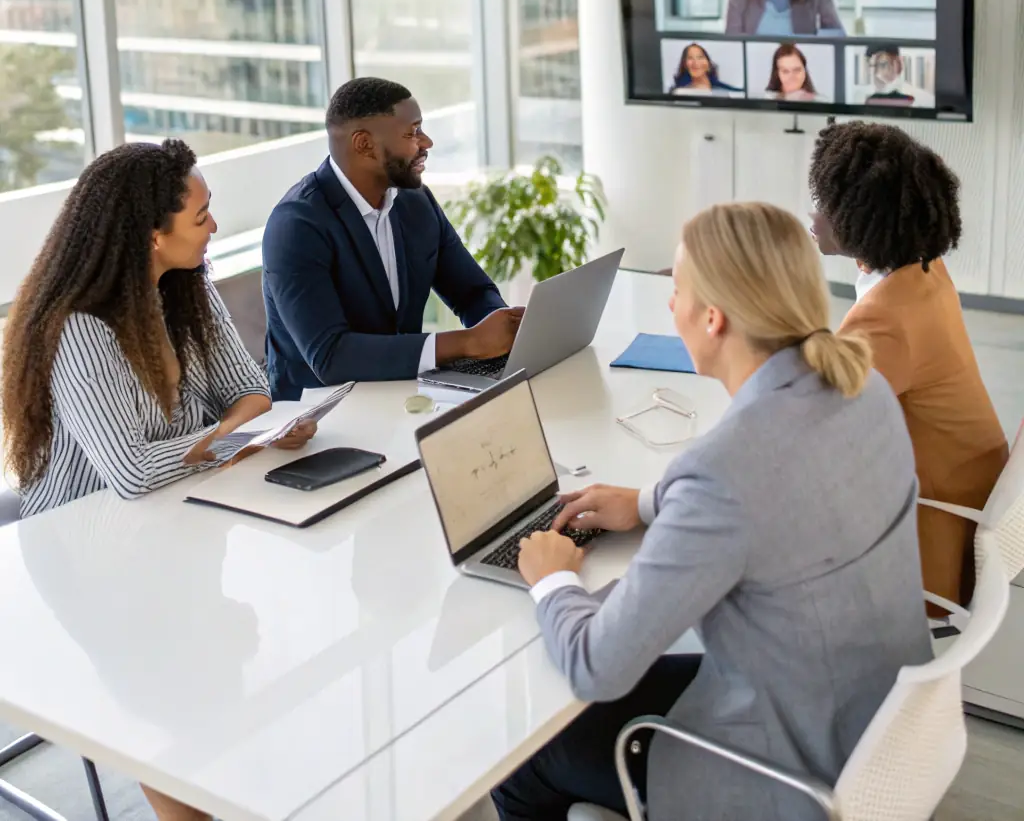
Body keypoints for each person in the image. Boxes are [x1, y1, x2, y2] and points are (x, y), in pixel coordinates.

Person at [494, 202, 931, 821]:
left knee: (525, 758)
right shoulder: (864, 388)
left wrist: (553, 578)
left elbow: (596, 667)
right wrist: (646, 503)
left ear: (713, 318)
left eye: (676, 291)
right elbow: (776, 490)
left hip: (786, 771)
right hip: (876, 729)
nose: (670, 307)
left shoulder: (727, 471)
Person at [0, 138, 311, 821]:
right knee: (185, 717)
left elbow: (253, 391)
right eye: (201, 215)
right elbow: (132, 471)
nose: (214, 226)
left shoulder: (184, 292)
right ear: (151, 232)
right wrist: (235, 438)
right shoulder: (78, 327)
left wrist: (233, 434)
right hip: (87, 556)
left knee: (234, 687)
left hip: (175, 520)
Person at [809, 121, 1008, 609]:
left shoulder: (886, 321)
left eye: (826, 205)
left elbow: (805, 425)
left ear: (861, 218)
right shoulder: (922, 270)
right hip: (968, 495)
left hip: (936, 537)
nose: (813, 217)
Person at [262, 77, 523, 400]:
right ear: (364, 144)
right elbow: (331, 356)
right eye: (412, 132)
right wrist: (468, 342)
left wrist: (508, 334)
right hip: (321, 417)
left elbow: (472, 292)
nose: (427, 142)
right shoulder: (296, 225)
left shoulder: (416, 203)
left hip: (402, 396)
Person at [669, 42, 742, 96]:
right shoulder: (680, 93)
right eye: (690, 58)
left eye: (700, 57)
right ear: (684, 65)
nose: (696, 63)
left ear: (708, 64)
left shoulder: (723, 92)